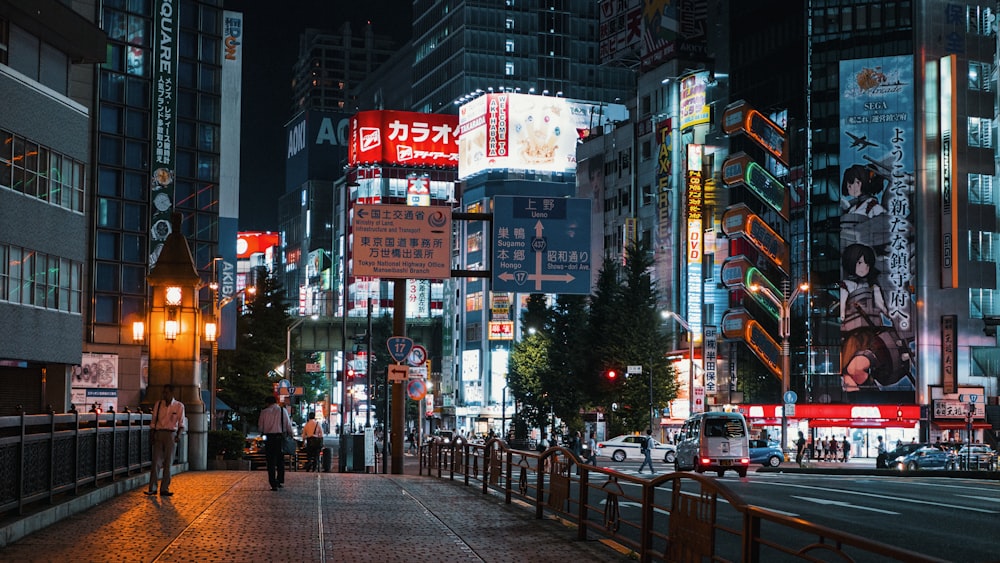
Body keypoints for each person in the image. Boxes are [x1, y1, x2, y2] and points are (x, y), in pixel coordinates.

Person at [146, 384, 185, 497]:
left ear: (172, 393)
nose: (164, 394)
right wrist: (152, 434)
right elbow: (153, 421)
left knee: (168, 462)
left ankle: (164, 488)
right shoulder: (158, 404)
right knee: (155, 462)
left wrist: (178, 435)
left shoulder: (178, 406)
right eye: (164, 392)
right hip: (159, 432)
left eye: (167, 392)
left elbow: (181, 423)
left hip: (171, 434)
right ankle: (152, 488)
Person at [258, 395, 293, 491]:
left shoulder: (264, 412)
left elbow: (260, 427)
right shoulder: (282, 411)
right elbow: (288, 425)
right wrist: (291, 434)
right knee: (280, 460)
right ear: (275, 402)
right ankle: (280, 480)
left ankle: (273, 483)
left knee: (270, 461)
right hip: (280, 438)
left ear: (267, 403)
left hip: (269, 438)